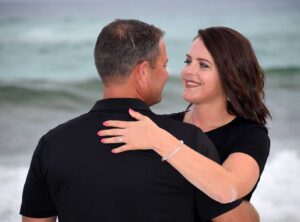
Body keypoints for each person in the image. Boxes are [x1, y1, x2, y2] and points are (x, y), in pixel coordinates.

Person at [20, 20, 242, 222]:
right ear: (143, 71)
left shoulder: (53, 144)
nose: (167, 74)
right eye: (164, 65)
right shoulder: (189, 142)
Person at [98, 26, 271, 221]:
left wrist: (159, 140)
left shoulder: (249, 134)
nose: (188, 71)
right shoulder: (162, 126)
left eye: (203, 65)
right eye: (188, 61)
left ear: (230, 75)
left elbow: (227, 189)